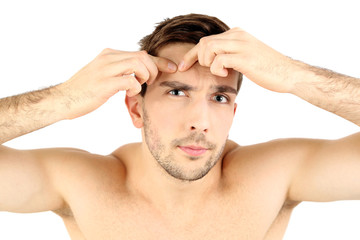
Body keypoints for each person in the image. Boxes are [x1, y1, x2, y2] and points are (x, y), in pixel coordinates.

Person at [0, 13, 359, 240]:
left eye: (219, 98)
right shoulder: (81, 185)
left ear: (233, 113)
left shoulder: (274, 178)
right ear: (135, 109)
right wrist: (61, 99)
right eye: (176, 91)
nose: (200, 122)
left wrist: (294, 75)